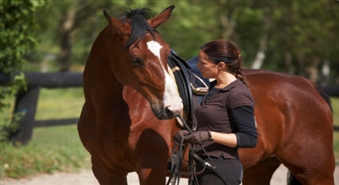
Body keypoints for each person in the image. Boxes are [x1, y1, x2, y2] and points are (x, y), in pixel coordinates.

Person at [174, 39, 258, 185]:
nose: (198, 66)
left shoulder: (237, 94)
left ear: (221, 66)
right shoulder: (213, 88)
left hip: (220, 169)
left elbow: (249, 139)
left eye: (203, 63)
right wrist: (191, 134)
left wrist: (209, 135)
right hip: (201, 165)